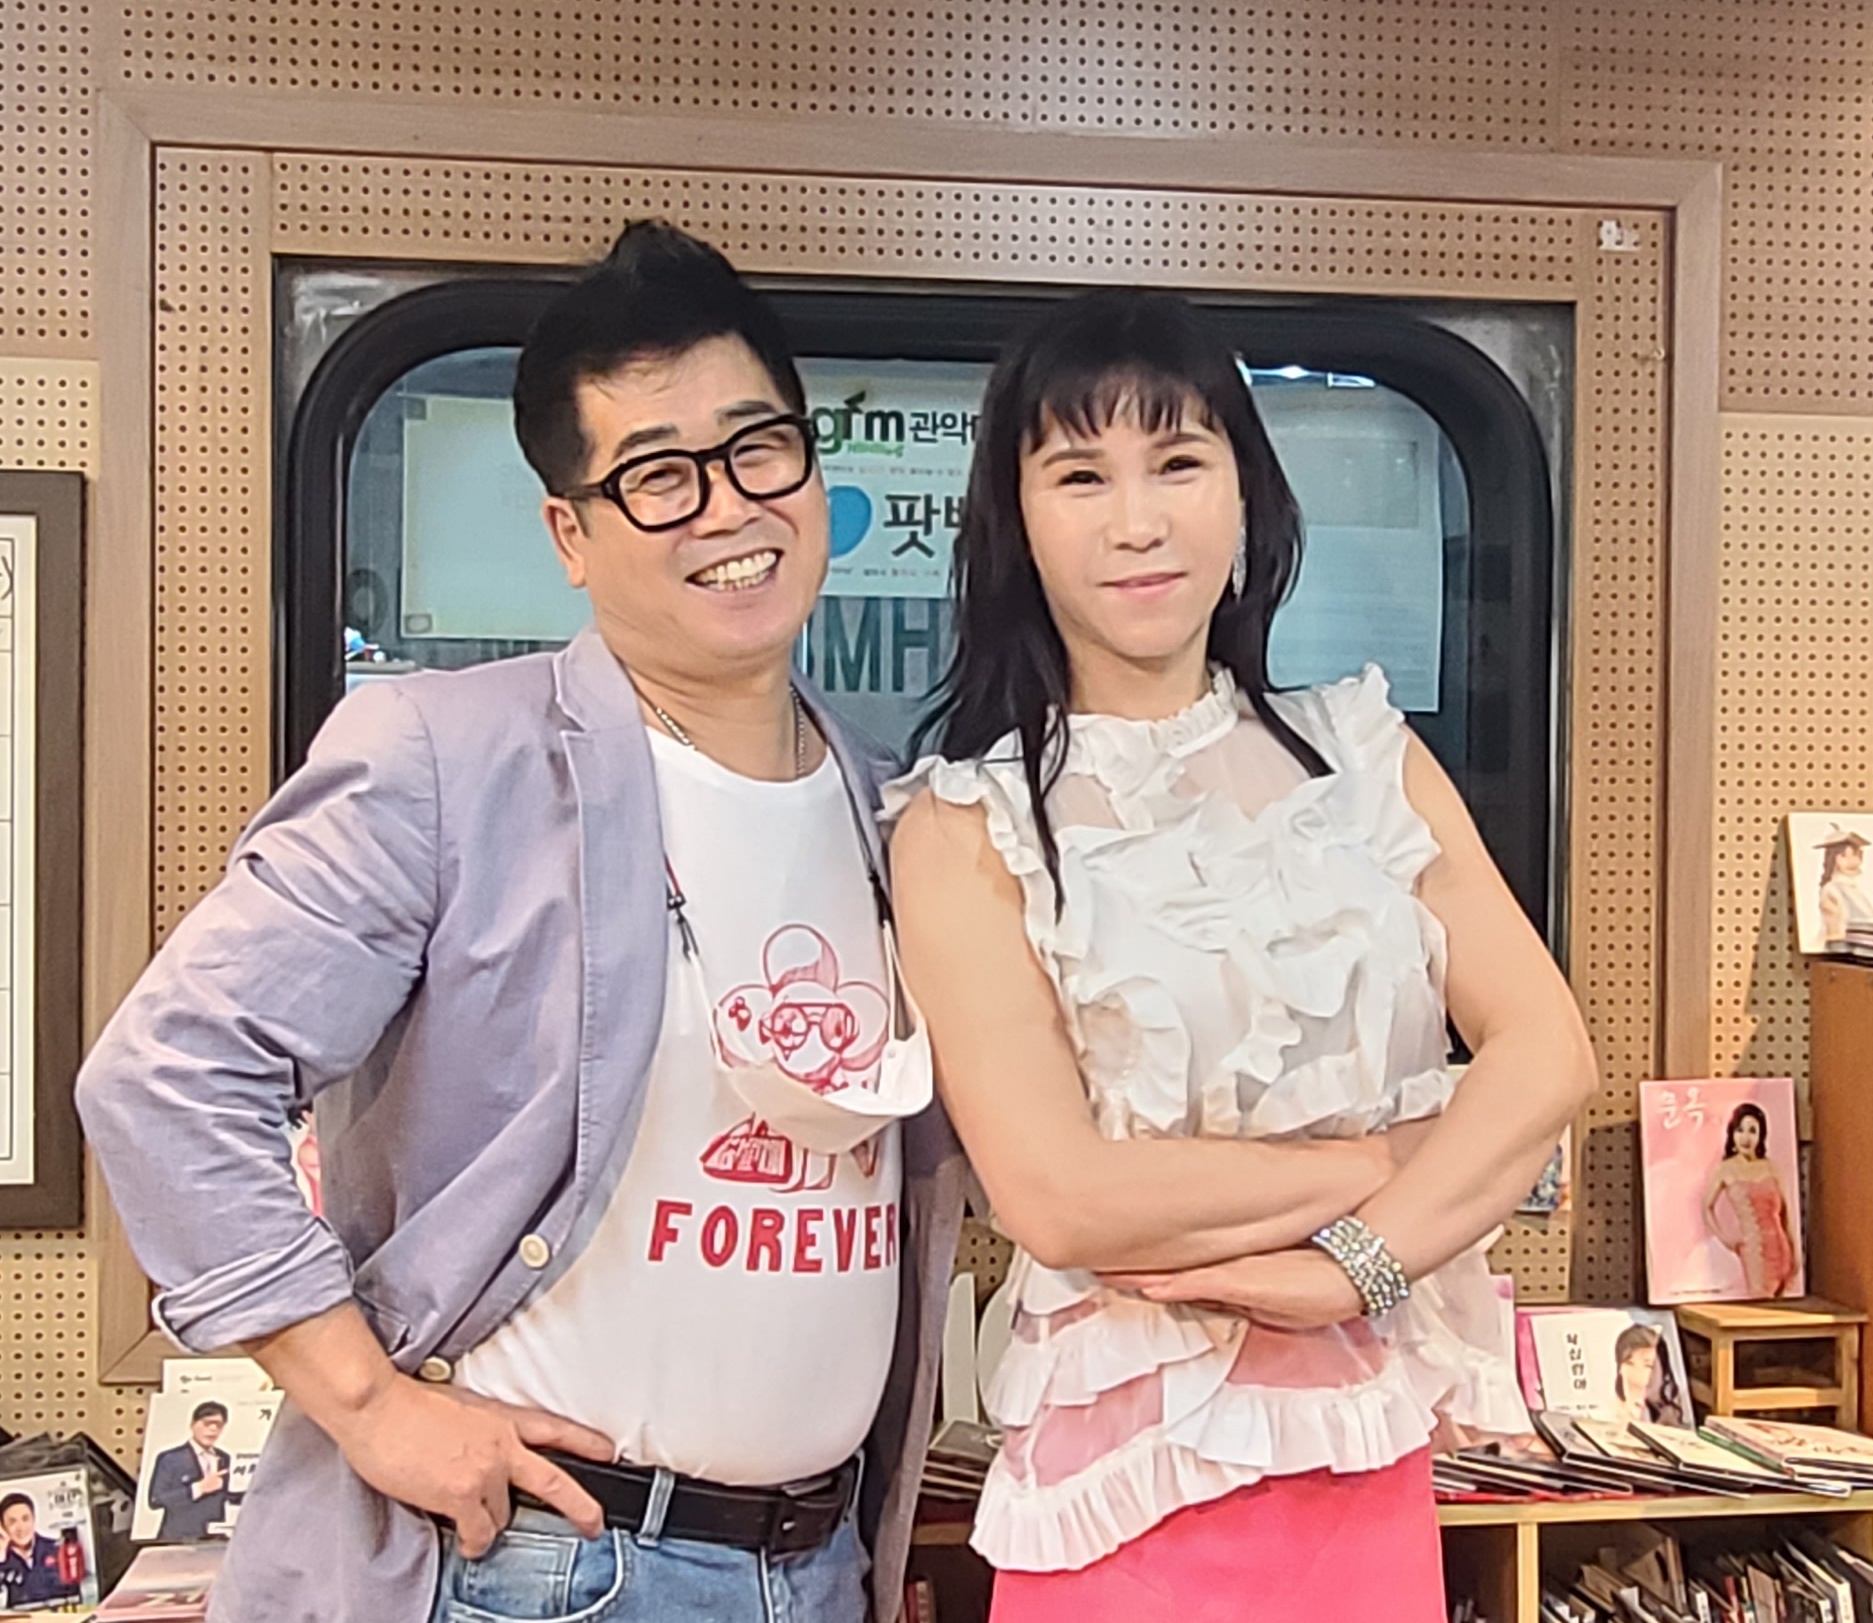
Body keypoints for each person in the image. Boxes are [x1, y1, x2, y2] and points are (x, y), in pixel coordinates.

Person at [76, 220, 965, 1623]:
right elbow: (166, 1073)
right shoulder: (447, 758)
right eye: (657, 477)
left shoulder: (893, 813)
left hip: (814, 1564)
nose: (727, 509)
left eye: (758, 448)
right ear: (571, 534)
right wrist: (367, 1403)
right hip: (545, 1566)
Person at [887, 289, 1596, 1622]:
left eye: (1177, 461)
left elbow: (1549, 1058)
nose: (1136, 520)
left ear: (1246, 495)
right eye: (1080, 475)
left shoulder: (1364, 752)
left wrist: (1348, 1268)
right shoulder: (961, 823)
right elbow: (1060, 1198)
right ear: (1015, 522)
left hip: (1368, 1461)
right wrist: (1392, 1157)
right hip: (1120, 1495)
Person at [1704, 1102, 1799, 1298]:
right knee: (1759, 1302)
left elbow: (1787, 1215)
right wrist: (1725, 1240)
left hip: (1781, 1248)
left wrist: (1796, 1253)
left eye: (1752, 1131)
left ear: (1761, 1135)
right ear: (1732, 1133)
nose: (1746, 1137)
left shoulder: (1772, 1167)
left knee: (1784, 1306)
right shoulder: (1726, 1169)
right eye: (1740, 1130)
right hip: (1753, 1251)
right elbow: (1706, 1207)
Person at [147, 1400, 236, 1541]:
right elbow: (156, 1499)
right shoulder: (171, 1458)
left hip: (215, 1537)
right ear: (193, 1424)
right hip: (179, 1538)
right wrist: (199, 1488)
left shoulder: (224, 1458)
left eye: (219, 1425)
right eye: (207, 1423)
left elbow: (227, 1495)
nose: (213, 1429)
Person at [0, 1493, 77, 1607]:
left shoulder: (57, 1550)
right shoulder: (2, 1559)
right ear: (2, 1526)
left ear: (34, 1519)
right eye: (12, 1522)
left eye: (25, 1519)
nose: (21, 1527)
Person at [1608, 1324, 1684, 1428]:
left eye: (1648, 1366)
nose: (1638, 1376)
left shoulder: (1673, 1415)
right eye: (1630, 1363)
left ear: (1664, 1370)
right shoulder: (1609, 1415)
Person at [1817, 826, 1873, 952]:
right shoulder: (1831, 889)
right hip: (1845, 949)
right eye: (1843, 856)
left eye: (1855, 855)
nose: (1851, 861)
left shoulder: (1858, 888)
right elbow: (1835, 934)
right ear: (1833, 858)